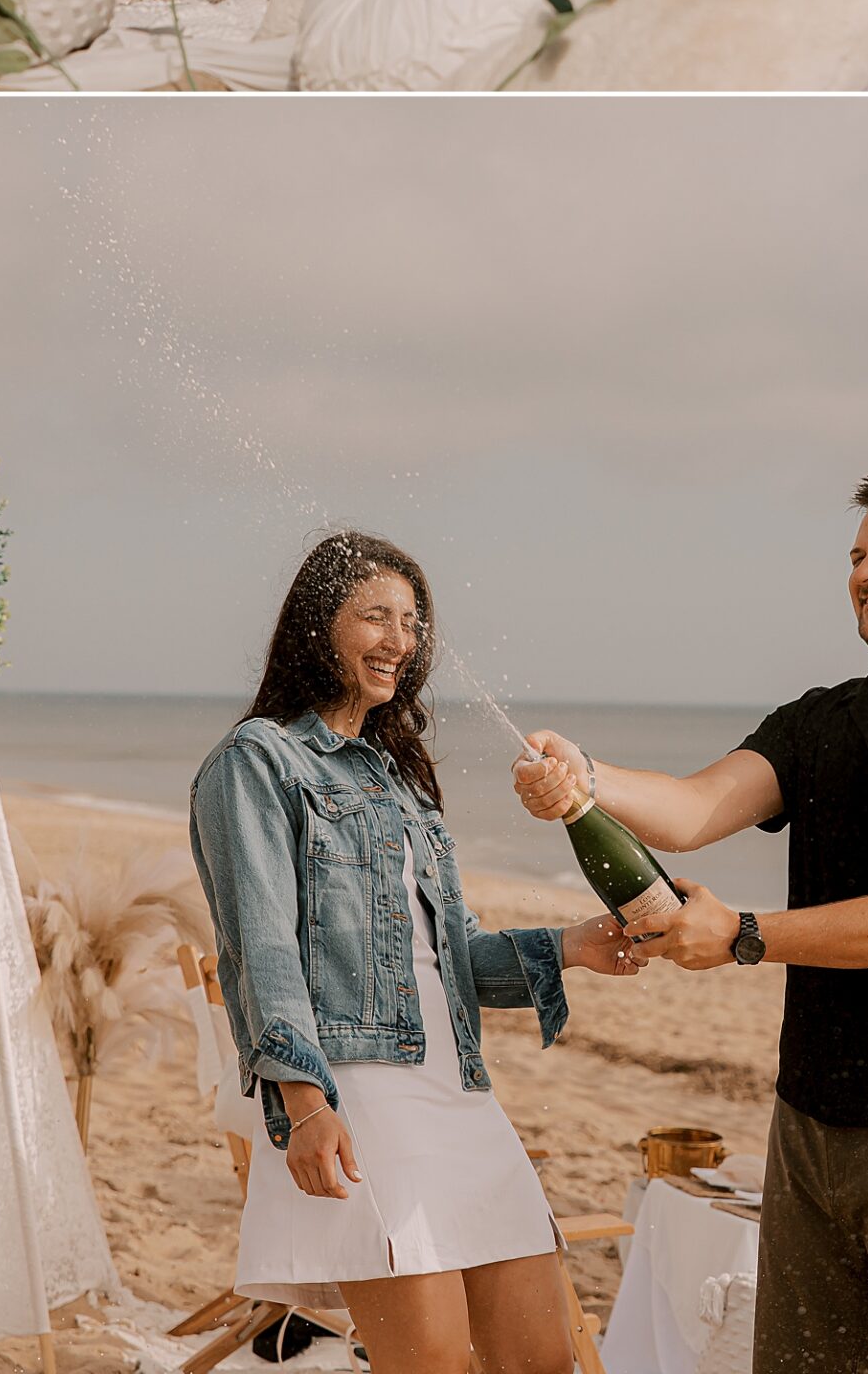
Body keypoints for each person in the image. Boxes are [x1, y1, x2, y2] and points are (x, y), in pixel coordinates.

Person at [513, 470, 868, 1374]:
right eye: (856, 556)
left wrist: (742, 936)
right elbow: (692, 809)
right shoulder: (821, 721)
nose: (864, 573)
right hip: (808, 1114)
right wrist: (585, 777)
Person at [190, 531, 640, 1374]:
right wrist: (306, 1104)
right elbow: (261, 949)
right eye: (375, 616)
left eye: (411, 620)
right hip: (360, 1094)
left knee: (540, 1360)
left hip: (459, 1091)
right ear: (316, 626)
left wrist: (571, 948)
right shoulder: (258, 762)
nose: (399, 638)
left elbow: (446, 956)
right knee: (430, 1364)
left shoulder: (398, 779)